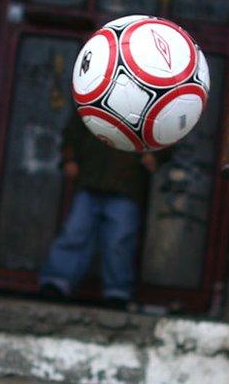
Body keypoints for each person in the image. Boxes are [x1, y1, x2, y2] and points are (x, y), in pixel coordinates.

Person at [37, 112, 156, 308]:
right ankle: (56, 283)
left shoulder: (150, 103)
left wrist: (155, 156)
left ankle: (117, 292)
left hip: (127, 183)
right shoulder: (96, 94)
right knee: (75, 233)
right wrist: (69, 159)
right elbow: (74, 129)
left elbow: (165, 133)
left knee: (120, 241)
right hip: (91, 178)